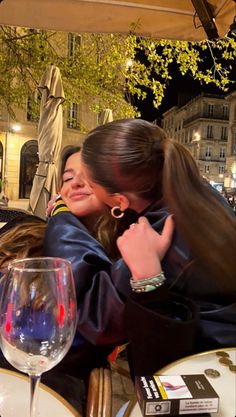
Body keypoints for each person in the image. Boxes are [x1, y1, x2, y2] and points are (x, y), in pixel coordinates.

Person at [45, 119, 236, 377]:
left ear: (119, 200)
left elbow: (93, 313)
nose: (79, 185)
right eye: (68, 177)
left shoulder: (160, 232)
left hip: (210, 376)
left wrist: (61, 215)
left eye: (90, 181)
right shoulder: (190, 197)